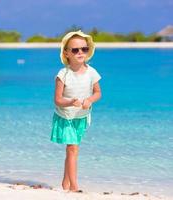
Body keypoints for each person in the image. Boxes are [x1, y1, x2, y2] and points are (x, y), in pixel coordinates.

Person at [50, 30, 102, 192]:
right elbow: (57, 99)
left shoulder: (91, 72)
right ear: (67, 53)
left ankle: (65, 183)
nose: (80, 52)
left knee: (72, 149)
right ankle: (73, 187)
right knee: (73, 149)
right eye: (75, 50)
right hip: (66, 117)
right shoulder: (63, 74)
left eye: (84, 49)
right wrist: (71, 101)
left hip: (81, 116)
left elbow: (98, 93)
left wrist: (89, 100)